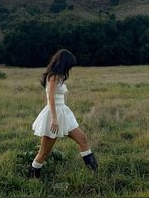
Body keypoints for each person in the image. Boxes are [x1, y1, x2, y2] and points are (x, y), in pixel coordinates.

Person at [28, 49, 98, 178]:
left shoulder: (59, 77)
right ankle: (32, 175)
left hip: (63, 114)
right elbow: (50, 97)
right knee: (44, 152)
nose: (70, 68)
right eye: (69, 64)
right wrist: (53, 119)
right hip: (54, 116)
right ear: (64, 63)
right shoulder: (53, 76)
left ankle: (94, 173)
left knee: (82, 139)